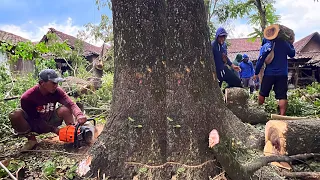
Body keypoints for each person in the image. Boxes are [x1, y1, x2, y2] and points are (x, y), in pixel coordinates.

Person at [9, 69, 87, 151]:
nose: (56, 85)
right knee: (15, 115)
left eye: (57, 83)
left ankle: (73, 135)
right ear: (42, 83)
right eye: (53, 83)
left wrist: (79, 115)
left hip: (49, 119)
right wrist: (55, 130)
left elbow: (70, 104)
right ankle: (31, 140)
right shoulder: (27, 97)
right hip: (33, 124)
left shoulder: (57, 92)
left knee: (65, 110)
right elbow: (36, 120)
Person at [253, 37, 295, 115]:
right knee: (282, 96)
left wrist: (256, 72)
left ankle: (258, 111)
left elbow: (260, 60)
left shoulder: (267, 45)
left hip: (269, 74)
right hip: (282, 74)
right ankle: (282, 116)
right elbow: (292, 54)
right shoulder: (285, 43)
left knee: (262, 93)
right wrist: (291, 44)